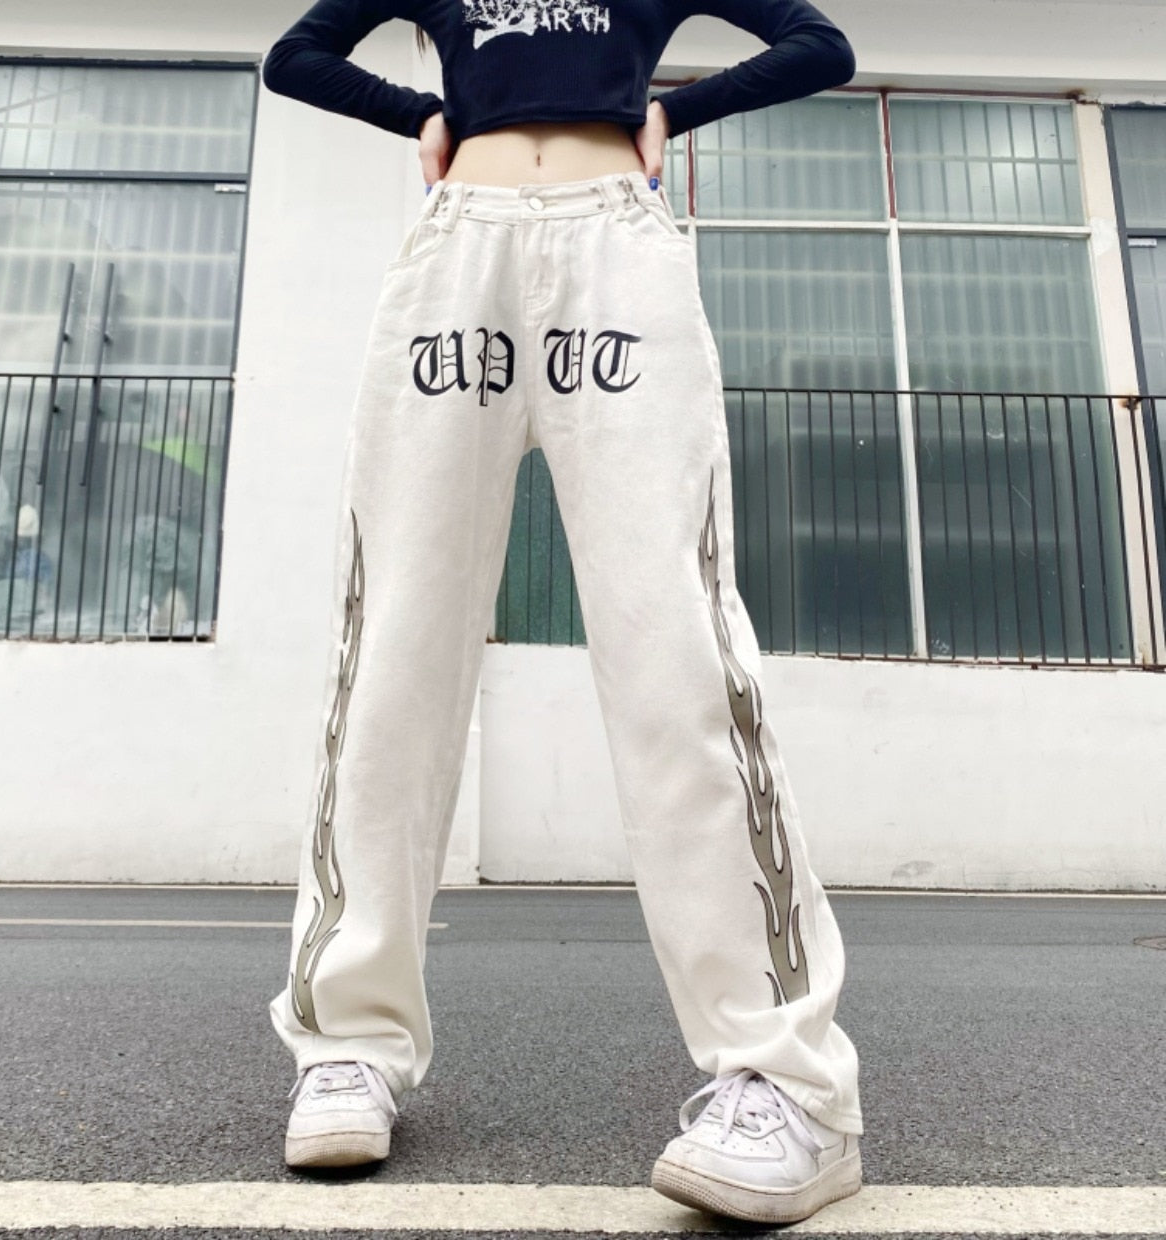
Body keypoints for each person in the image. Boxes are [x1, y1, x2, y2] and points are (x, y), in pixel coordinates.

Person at [261, 0, 862, 1225]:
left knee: (676, 651)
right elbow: (298, 56)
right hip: (460, 254)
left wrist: (672, 110)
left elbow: (817, 44)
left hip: (614, 251)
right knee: (395, 647)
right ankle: (348, 1043)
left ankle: (785, 1080)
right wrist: (424, 114)